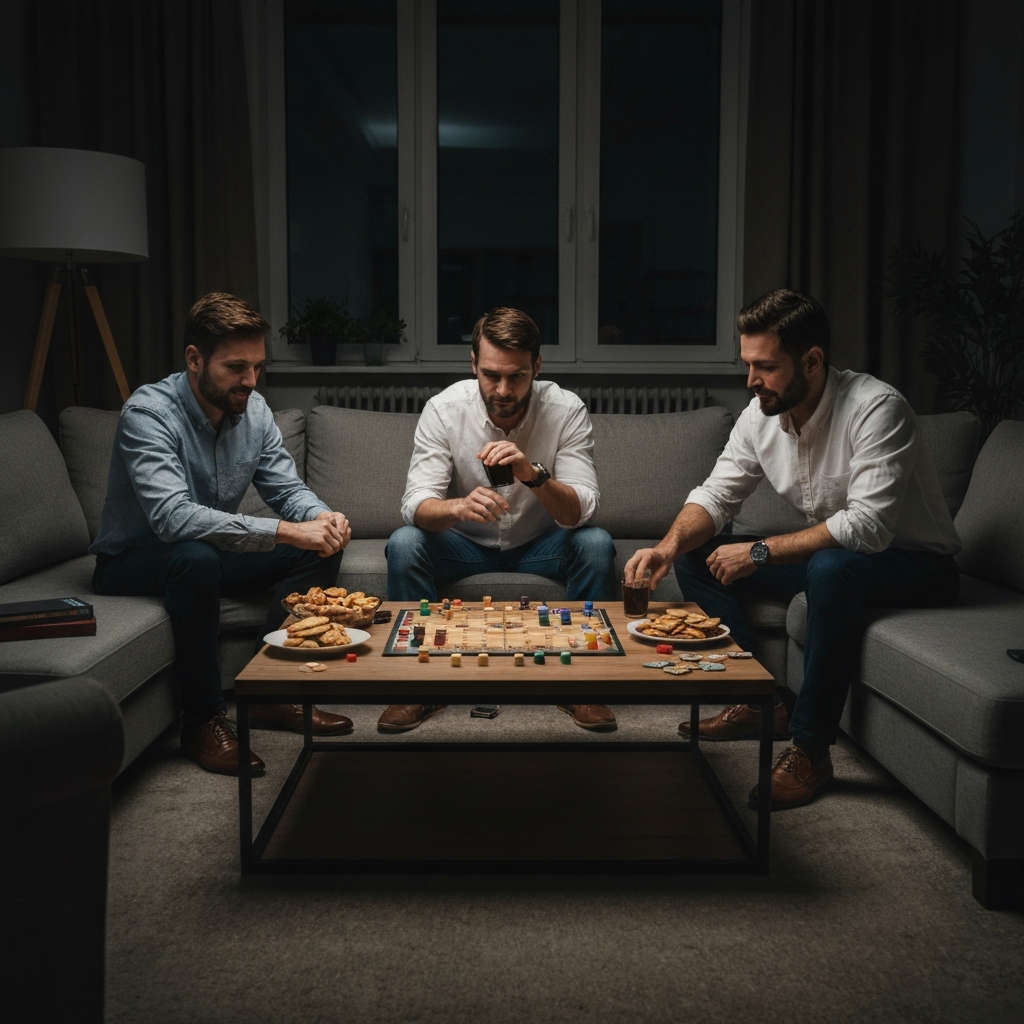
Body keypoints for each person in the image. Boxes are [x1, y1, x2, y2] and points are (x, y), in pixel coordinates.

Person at [625, 289, 961, 809]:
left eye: (765, 366)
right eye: (747, 364)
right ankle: (755, 700)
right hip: (839, 566)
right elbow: (716, 495)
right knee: (698, 555)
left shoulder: (878, 409)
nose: (750, 381)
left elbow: (868, 527)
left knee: (829, 570)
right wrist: (668, 547)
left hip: (916, 566)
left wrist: (758, 552)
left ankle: (810, 749)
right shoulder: (761, 414)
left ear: (811, 360)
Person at [91, 293, 355, 776]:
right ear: (195, 359)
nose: (250, 381)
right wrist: (285, 531)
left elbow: (286, 488)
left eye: (257, 366)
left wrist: (322, 518)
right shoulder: (147, 416)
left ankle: (270, 691)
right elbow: (173, 519)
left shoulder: (254, 413)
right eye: (236, 367)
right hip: (134, 560)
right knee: (196, 557)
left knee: (319, 546)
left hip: (208, 554)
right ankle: (202, 719)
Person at [384, 306, 618, 733]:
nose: (504, 389)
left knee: (597, 543)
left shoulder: (566, 410)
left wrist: (534, 475)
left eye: (517, 376)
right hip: (465, 546)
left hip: (540, 547)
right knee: (404, 542)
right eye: (491, 375)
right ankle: (415, 688)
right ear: (473, 364)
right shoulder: (444, 409)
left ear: (538, 367)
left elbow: (584, 508)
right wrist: (455, 508)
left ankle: (583, 687)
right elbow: (415, 503)